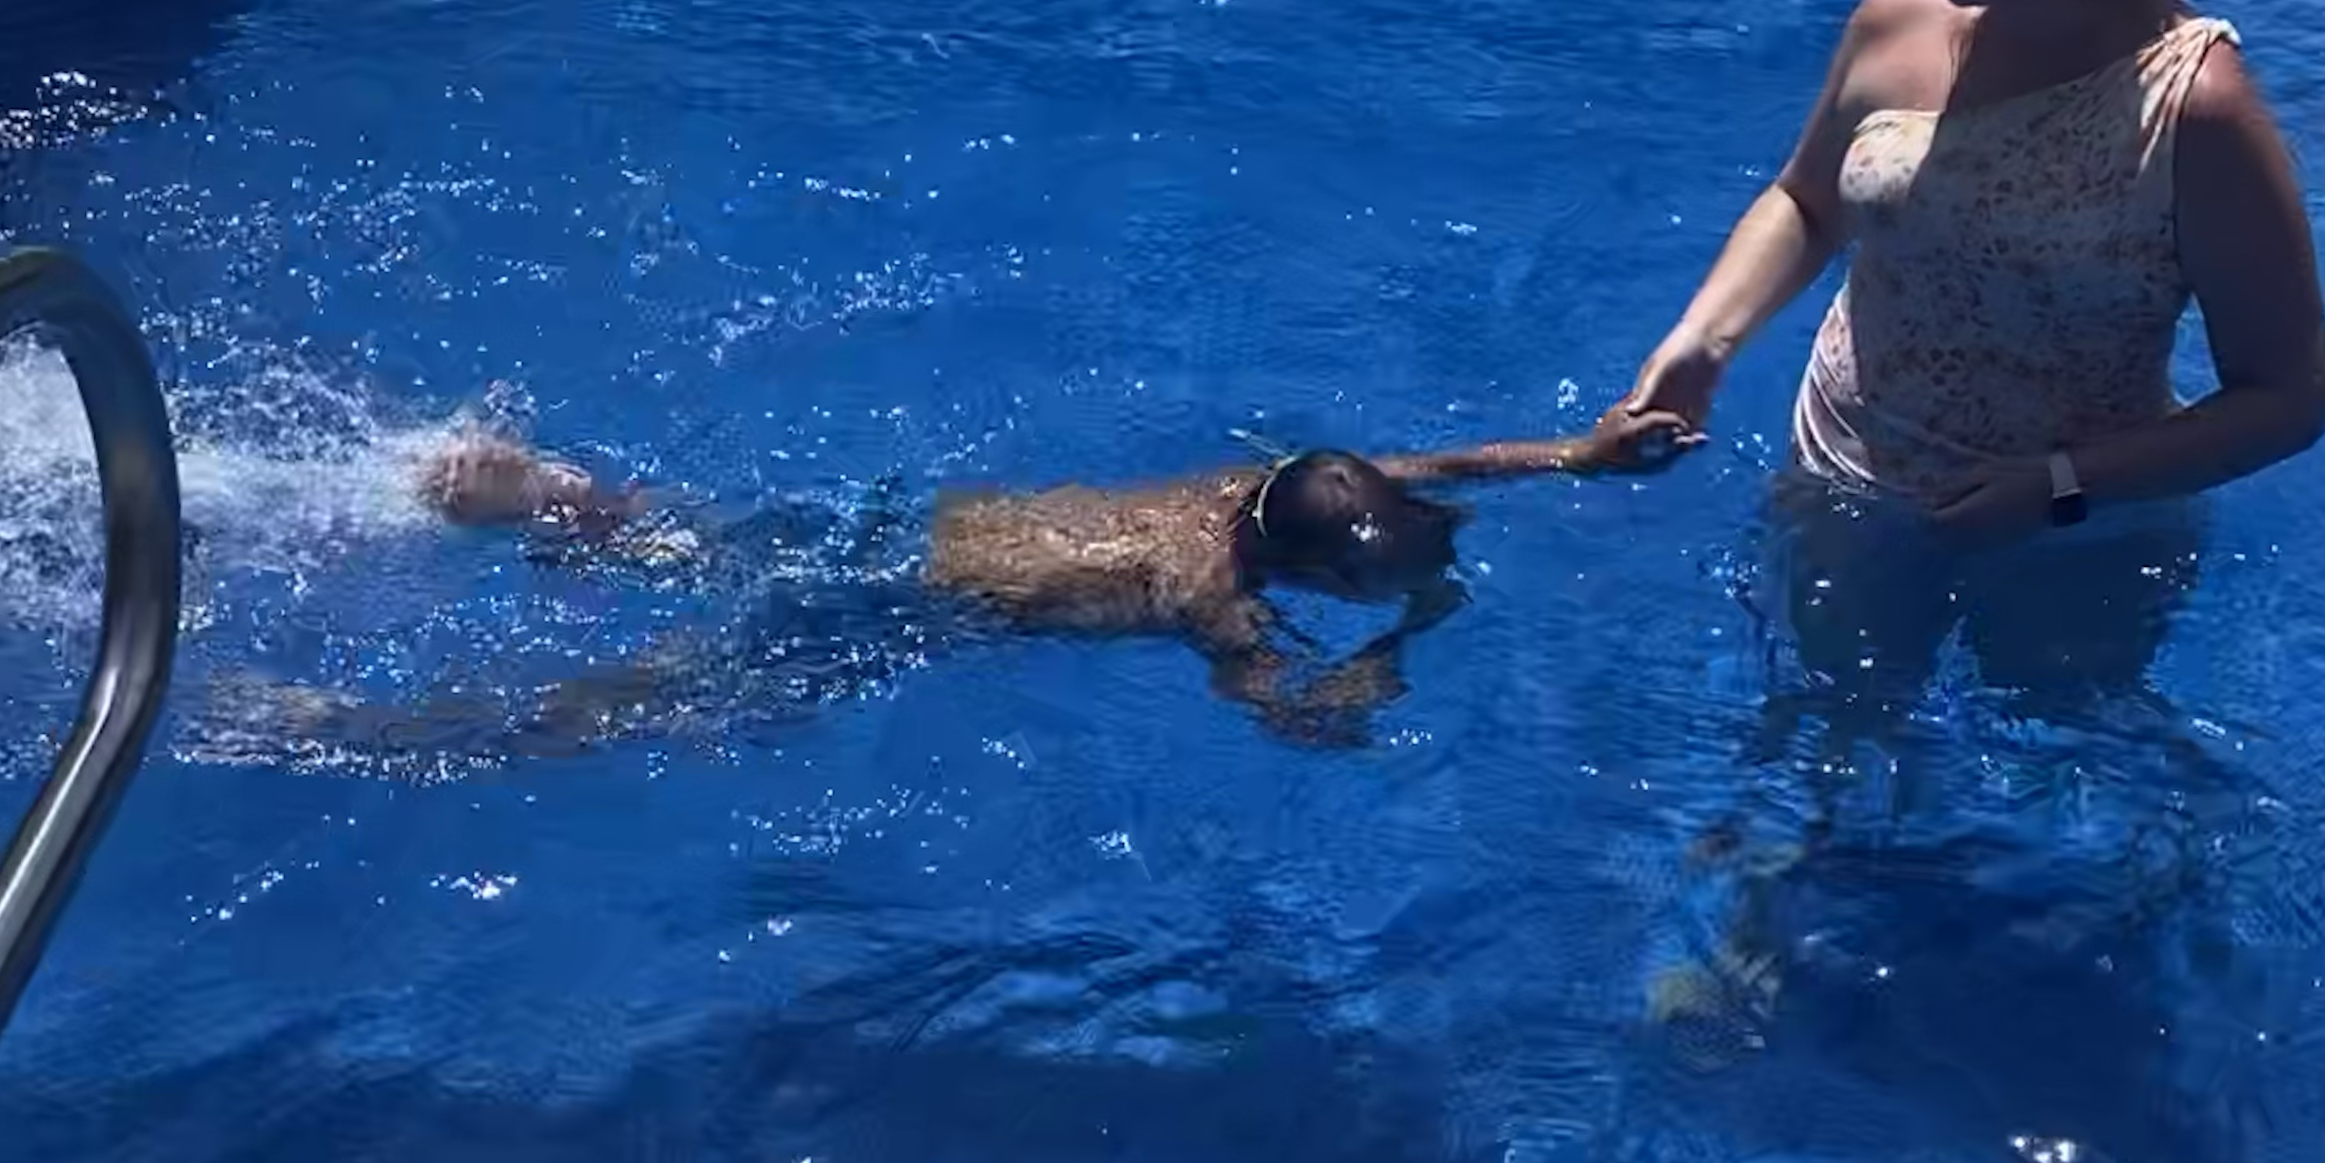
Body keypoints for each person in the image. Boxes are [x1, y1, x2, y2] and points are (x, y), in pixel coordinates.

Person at [1624, 0, 2325, 713]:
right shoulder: (1896, 19)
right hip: (1843, 477)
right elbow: (1805, 198)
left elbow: (2288, 397)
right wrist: (1706, 338)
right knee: (1817, 742)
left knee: (2061, 781)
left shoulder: (2195, 107)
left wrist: (2058, 483)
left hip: (2077, 524)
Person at [230, 407, 1694, 761]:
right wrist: (1391, 668)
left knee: (670, 529)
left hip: (906, 524)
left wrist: (1574, 454)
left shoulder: (1248, 488)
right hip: (889, 610)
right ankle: (376, 723)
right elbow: (1296, 720)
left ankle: (523, 484)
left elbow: (1445, 462)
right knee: (653, 701)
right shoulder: (1208, 590)